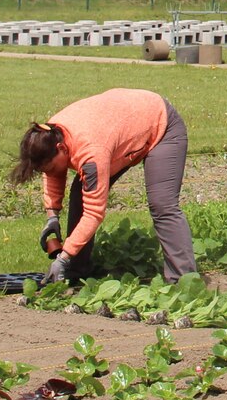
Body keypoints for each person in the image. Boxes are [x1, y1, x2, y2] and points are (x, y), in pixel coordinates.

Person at [12, 88, 194, 284]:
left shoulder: (91, 152)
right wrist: (52, 215)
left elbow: (93, 213)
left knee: (162, 205)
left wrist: (63, 257)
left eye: (49, 166)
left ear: (61, 148)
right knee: (80, 193)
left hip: (160, 123)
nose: (49, 173)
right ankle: (76, 273)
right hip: (122, 129)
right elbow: (53, 171)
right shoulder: (49, 133)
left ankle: (184, 282)